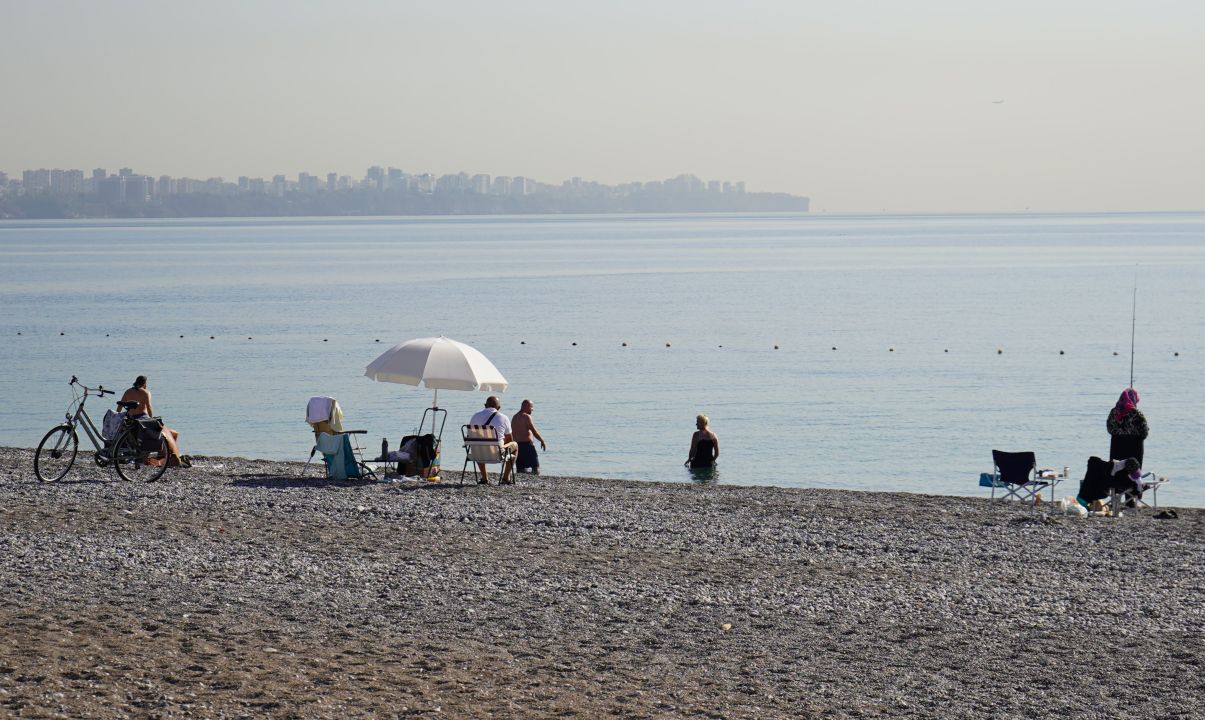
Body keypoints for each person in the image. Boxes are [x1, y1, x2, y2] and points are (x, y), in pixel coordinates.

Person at [119, 375, 187, 467]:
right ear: (144, 383)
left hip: (131, 418)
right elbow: (149, 407)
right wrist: (151, 419)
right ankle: (163, 454)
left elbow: (120, 406)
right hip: (142, 418)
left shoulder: (128, 391)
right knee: (160, 430)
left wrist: (118, 415)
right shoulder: (146, 392)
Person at [469, 396, 519, 485]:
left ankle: (484, 478)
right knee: (515, 445)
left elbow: (470, 436)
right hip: (496, 454)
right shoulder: (503, 418)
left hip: (477, 454)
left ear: (485, 405)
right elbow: (510, 439)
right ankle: (506, 477)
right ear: (498, 408)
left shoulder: (475, 416)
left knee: (479, 445)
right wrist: (501, 443)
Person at [1108, 388, 1148, 467]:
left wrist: (1119, 433)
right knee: (1133, 471)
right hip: (1134, 447)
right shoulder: (1136, 413)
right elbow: (1144, 431)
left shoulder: (1114, 412)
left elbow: (1109, 428)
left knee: (1116, 470)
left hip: (1116, 446)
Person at [511, 399, 547, 475]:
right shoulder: (526, 416)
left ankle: (522, 480)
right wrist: (542, 441)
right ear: (527, 406)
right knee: (536, 469)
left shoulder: (514, 417)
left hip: (517, 446)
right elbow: (534, 431)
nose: (532, 409)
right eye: (531, 407)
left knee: (520, 470)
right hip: (527, 446)